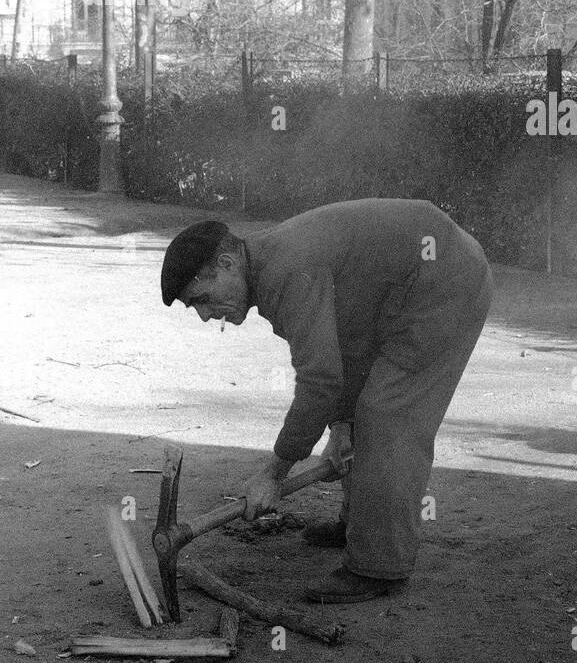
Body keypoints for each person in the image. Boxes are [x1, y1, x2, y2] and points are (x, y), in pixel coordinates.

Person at [160, 199, 492, 604]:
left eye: (202, 299)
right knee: (362, 412)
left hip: (444, 279)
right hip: (408, 285)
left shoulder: (286, 272)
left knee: (388, 414)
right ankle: (361, 526)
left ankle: (378, 567)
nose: (206, 317)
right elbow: (345, 348)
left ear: (227, 263)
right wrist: (340, 427)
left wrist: (274, 473)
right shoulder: (270, 269)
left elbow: (320, 380)